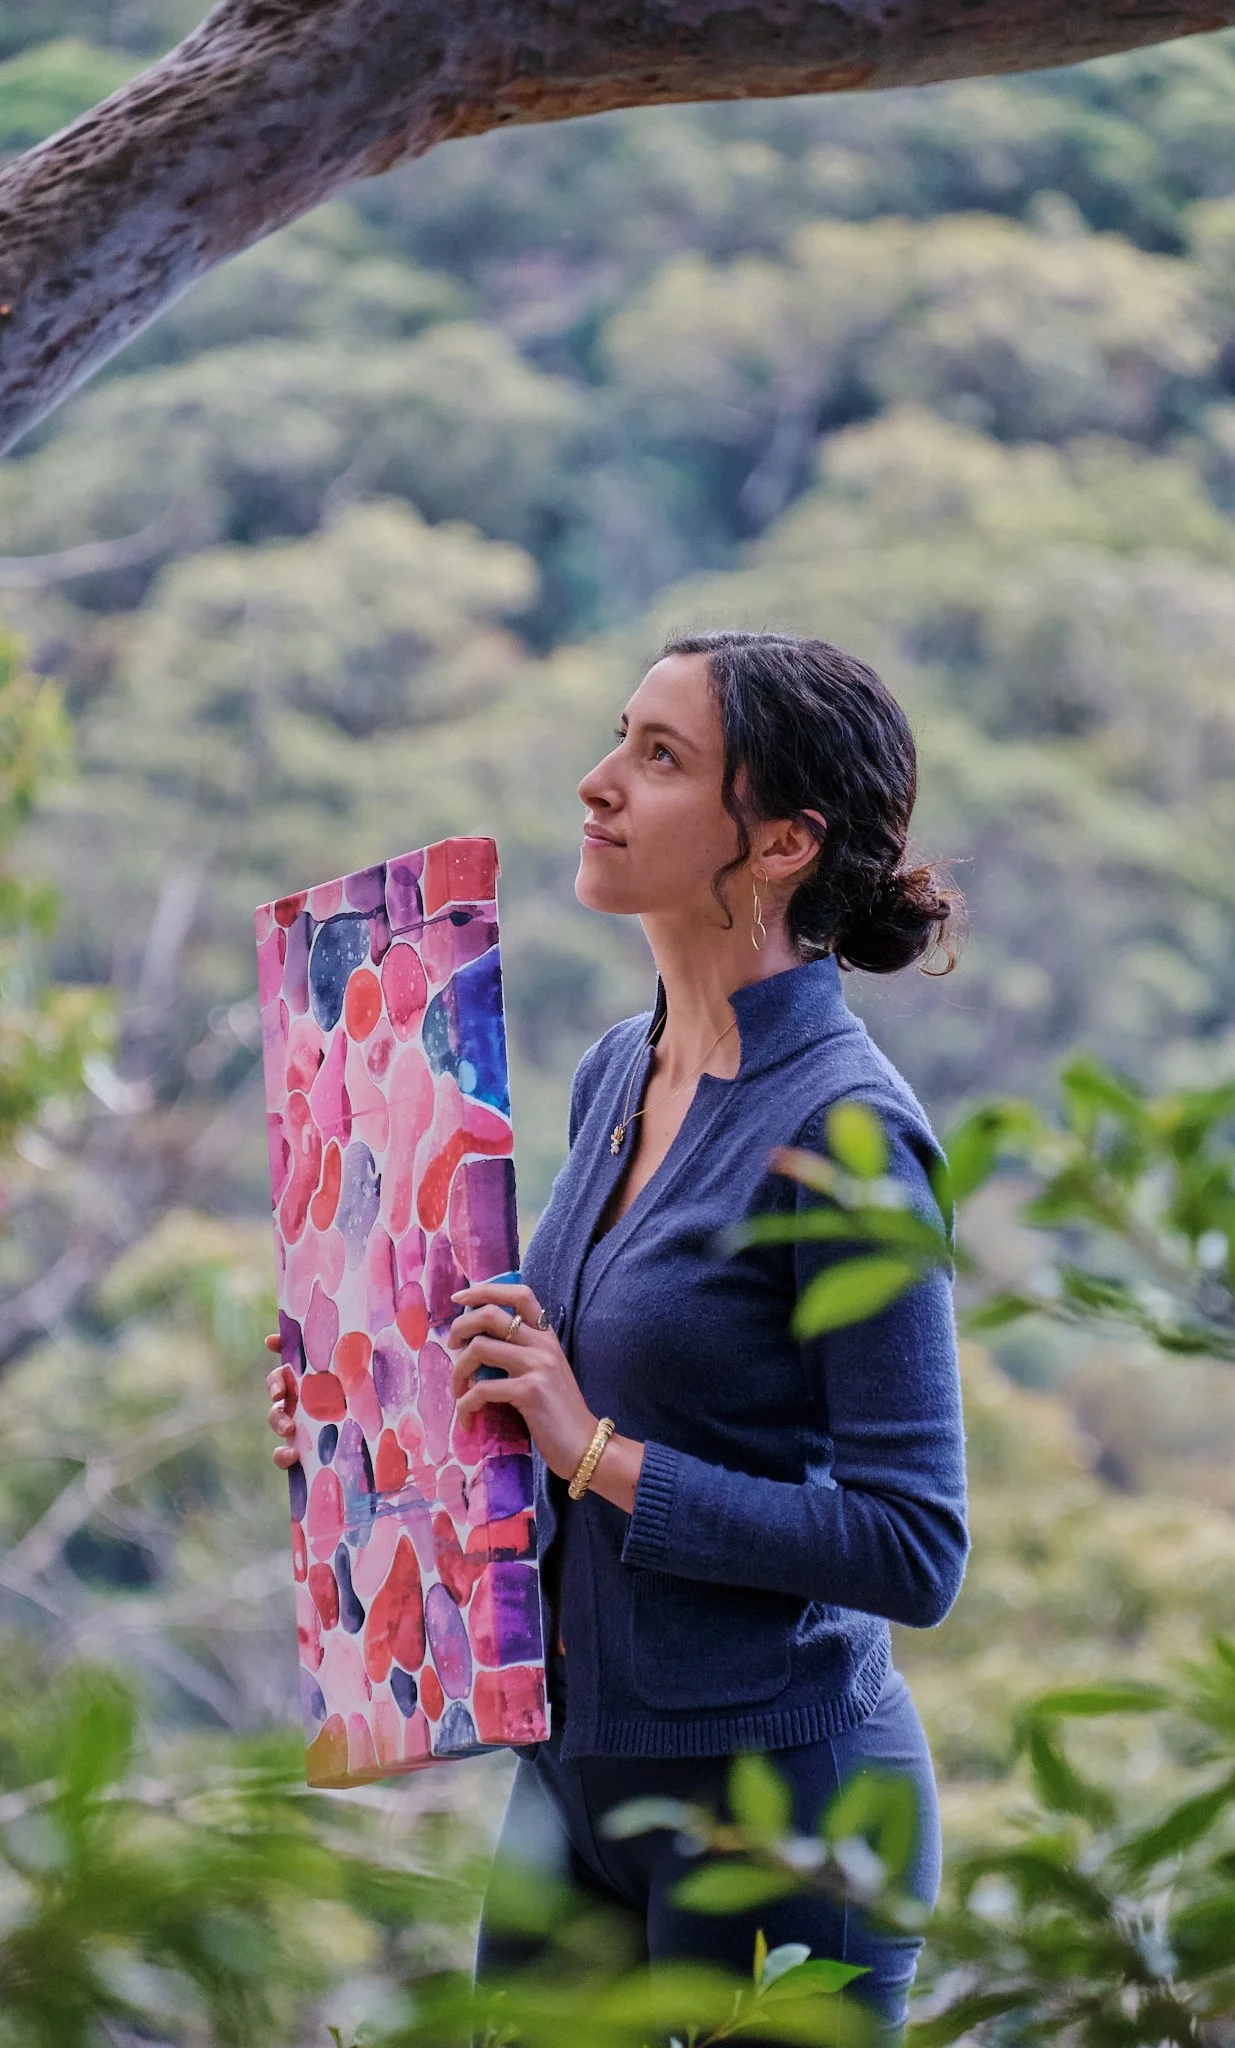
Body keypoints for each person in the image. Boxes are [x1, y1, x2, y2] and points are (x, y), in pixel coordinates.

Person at [266, 629, 971, 2043]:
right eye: (619, 739)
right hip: (575, 1780)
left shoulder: (849, 1134)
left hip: (780, 1807)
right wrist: (377, 1419)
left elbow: (914, 1548)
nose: (598, 782)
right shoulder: (615, 1072)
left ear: (781, 843)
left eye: (660, 758)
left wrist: (595, 1451)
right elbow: (544, 1402)